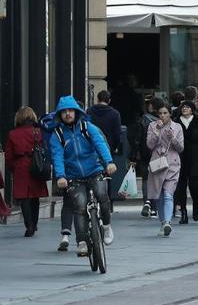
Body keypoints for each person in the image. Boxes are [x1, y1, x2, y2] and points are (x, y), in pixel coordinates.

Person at [47, 96, 118, 256]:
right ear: (59, 115)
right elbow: (57, 156)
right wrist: (60, 176)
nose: (68, 114)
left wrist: (108, 162)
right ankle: (82, 242)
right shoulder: (57, 134)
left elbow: (100, 144)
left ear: (77, 112)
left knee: (102, 195)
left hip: (94, 170)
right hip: (73, 176)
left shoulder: (87, 127)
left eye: (71, 111)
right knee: (79, 206)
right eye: (64, 112)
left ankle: (106, 226)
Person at [4, 107, 49, 236]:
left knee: (24, 197)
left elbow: (8, 155)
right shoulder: (38, 132)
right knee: (35, 197)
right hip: (36, 165)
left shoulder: (12, 134)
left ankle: (28, 225)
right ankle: (34, 223)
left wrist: (13, 168)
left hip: (20, 165)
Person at [146, 104, 183, 236]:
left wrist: (173, 138)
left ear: (170, 114)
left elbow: (180, 148)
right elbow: (150, 145)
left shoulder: (177, 127)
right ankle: (163, 223)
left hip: (172, 164)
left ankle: (167, 222)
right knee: (159, 195)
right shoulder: (152, 126)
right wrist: (156, 131)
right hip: (158, 163)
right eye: (160, 113)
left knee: (168, 194)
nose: (162, 116)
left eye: (165, 113)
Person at [87, 90, 126, 205]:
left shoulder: (89, 111)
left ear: (97, 99)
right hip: (108, 148)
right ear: (109, 100)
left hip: (91, 148)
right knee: (107, 175)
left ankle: (91, 198)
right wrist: (114, 147)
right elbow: (117, 134)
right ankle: (106, 202)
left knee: (91, 173)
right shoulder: (114, 113)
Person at [174, 100, 198, 224]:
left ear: (192, 109)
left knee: (195, 186)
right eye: (183, 107)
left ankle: (196, 205)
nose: (184, 109)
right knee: (181, 187)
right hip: (180, 157)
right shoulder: (176, 122)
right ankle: (183, 212)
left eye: (187, 107)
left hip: (196, 157)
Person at [135, 99, 161, 217]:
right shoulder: (163, 120)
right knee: (156, 179)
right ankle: (155, 207)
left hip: (145, 152)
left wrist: (134, 154)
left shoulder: (144, 120)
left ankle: (147, 202)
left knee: (146, 178)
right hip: (157, 153)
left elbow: (138, 138)